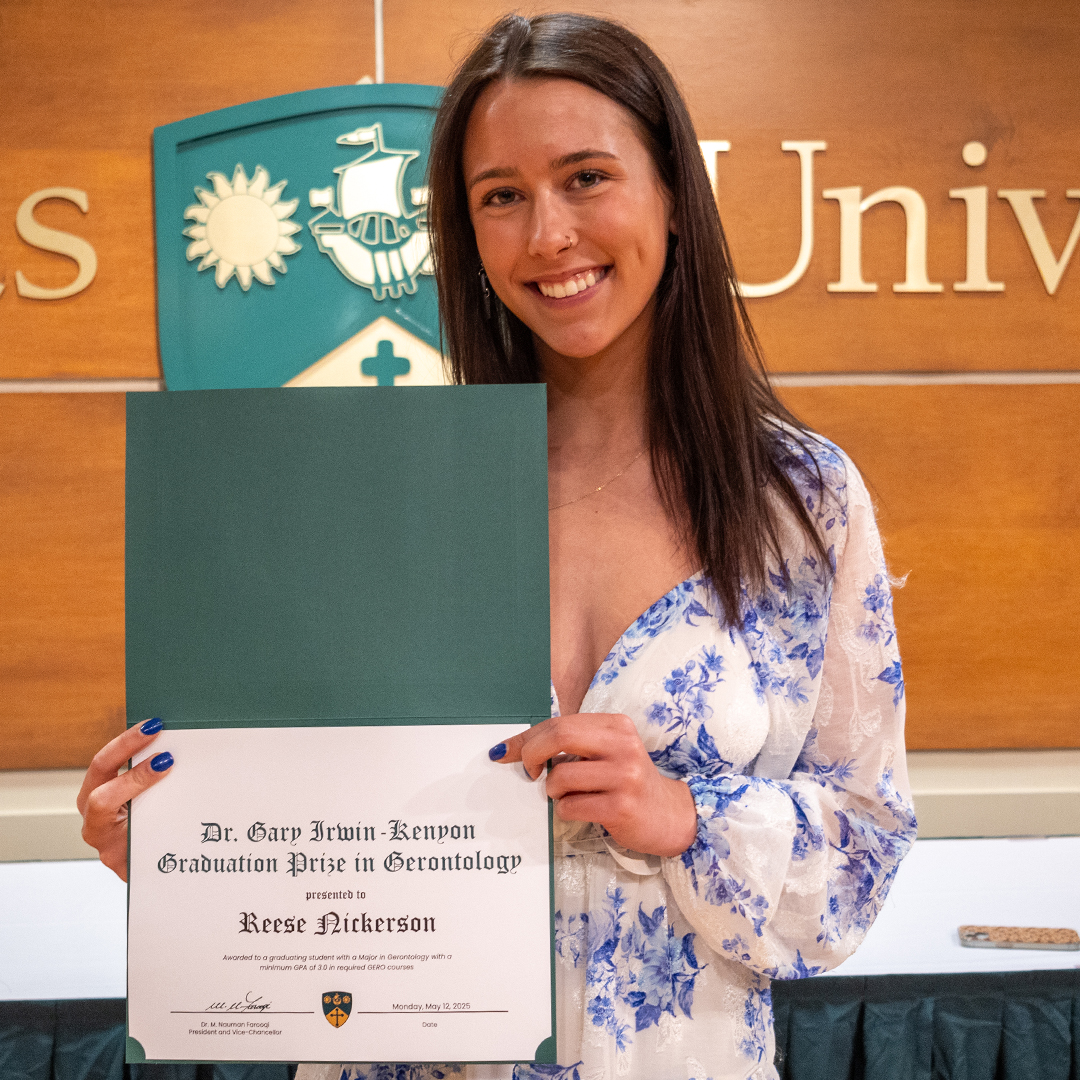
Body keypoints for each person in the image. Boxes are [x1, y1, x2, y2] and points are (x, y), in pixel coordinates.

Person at [79, 12, 916, 1080]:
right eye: (501, 197)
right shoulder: (369, 490)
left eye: (586, 178)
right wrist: (180, 841)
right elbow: (303, 813)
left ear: (672, 191)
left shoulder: (799, 502)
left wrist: (684, 813)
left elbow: (862, 848)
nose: (548, 235)